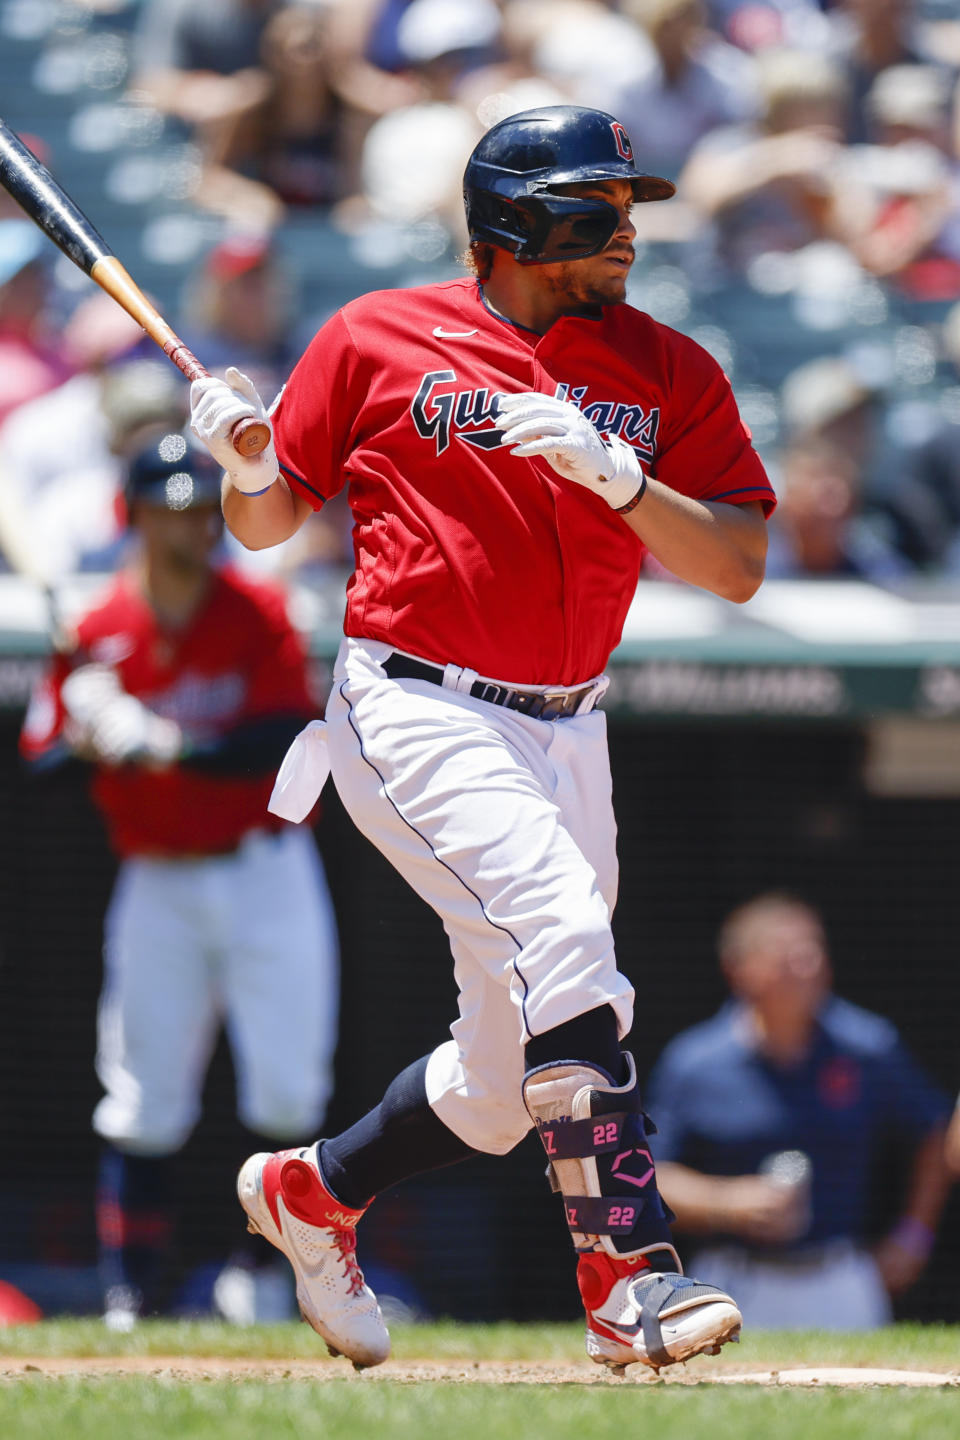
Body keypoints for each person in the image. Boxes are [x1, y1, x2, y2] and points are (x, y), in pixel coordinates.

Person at [189, 104, 776, 1375]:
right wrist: (241, 458)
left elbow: (736, 563)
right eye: (594, 207)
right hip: (417, 701)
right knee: (567, 938)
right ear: (515, 219)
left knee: (509, 1088)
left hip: (572, 725)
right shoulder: (378, 334)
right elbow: (270, 516)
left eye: (627, 207)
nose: (625, 231)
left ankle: (316, 1190)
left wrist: (624, 481)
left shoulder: (666, 366)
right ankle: (633, 1282)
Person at [19, 431, 340, 1329]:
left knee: (286, 1092)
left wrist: (160, 739)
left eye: (200, 511)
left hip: (263, 871)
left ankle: (265, 1277)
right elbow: (39, 762)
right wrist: (78, 730)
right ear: (135, 517)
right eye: (169, 511)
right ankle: (131, 1295)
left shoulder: (256, 613)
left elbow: (280, 742)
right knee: (142, 1094)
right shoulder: (98, 633)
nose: (187, 529)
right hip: (155, 880)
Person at [644, 892, 952, 1329]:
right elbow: (649, 1174)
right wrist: (727, 1201)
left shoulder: (867, 1046)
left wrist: (913, 1237)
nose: (808, 966)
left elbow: (934, 1130)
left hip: (840, 1277)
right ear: (739, 969)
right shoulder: (696, 1061)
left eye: (814, 952)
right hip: (731, 1278)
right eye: (788, 957)